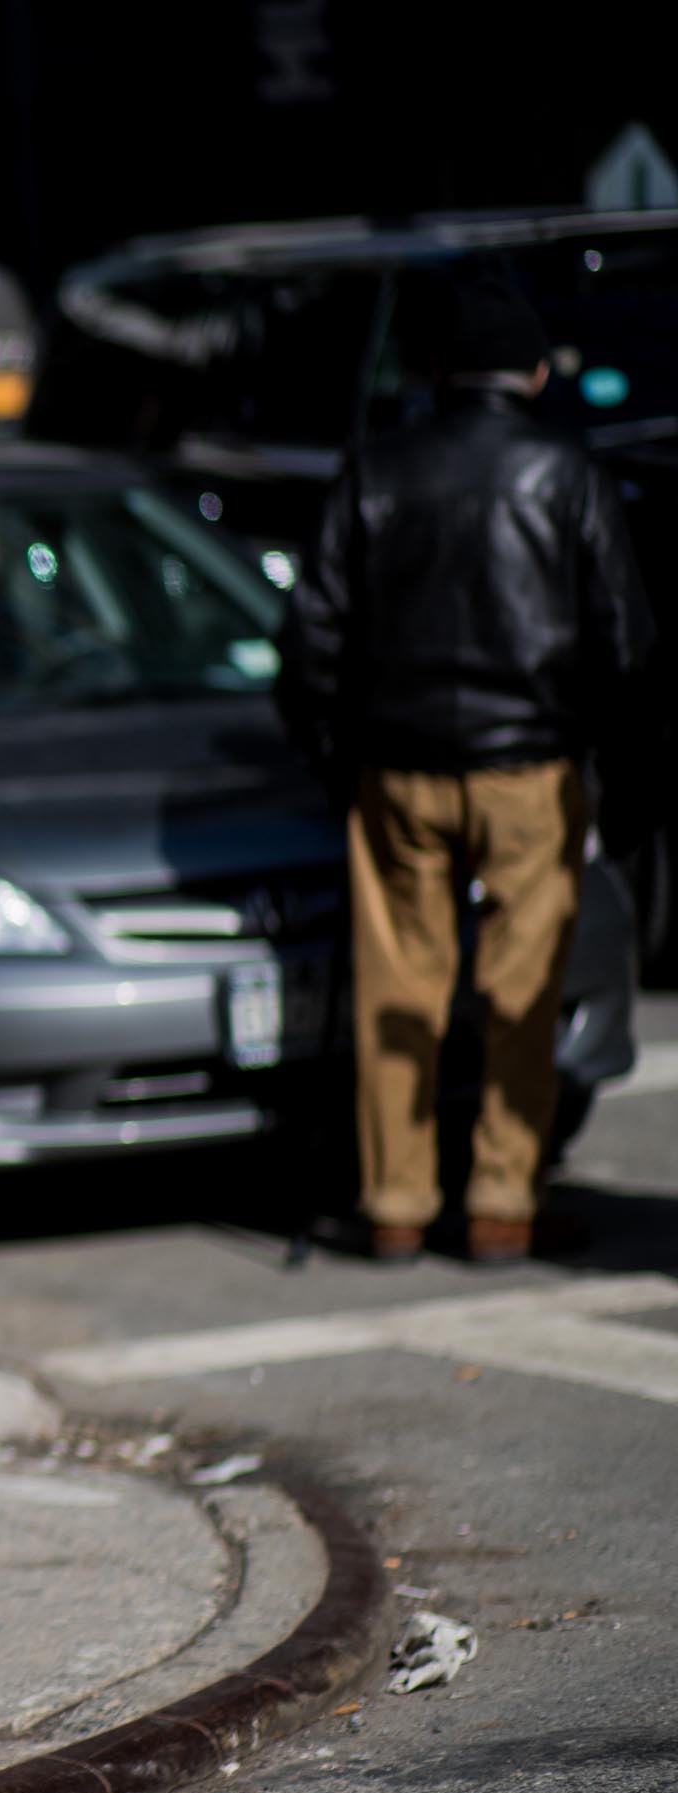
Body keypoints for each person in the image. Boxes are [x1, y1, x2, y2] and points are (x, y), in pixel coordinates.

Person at [278, 275, 656, 1264]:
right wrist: (616, 764)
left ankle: (397, 1200)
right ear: (534, 372)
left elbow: (312, 633)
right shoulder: (564, 473)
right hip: (528, 763)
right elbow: (624, 640)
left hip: (399, 763)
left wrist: (332, 751)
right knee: (522, 989)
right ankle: (501, 1199)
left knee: (398, 982)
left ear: (436, 370)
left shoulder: (376, 467)